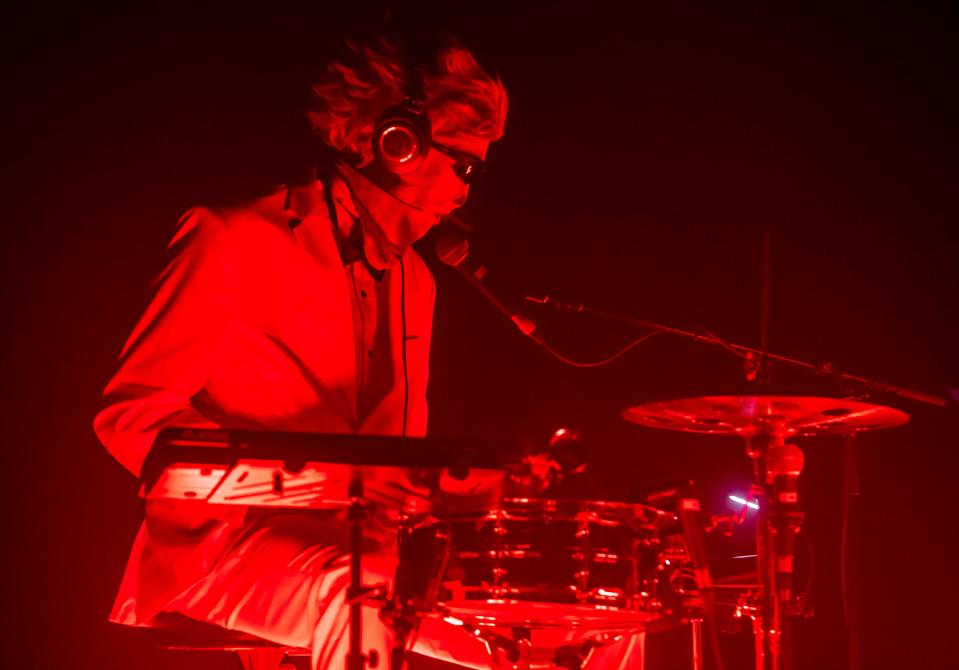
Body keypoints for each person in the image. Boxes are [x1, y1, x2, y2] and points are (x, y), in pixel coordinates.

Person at [95, 34, 643, 669]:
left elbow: (393, 470)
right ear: (397, 143)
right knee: (364, 590)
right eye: (464, 165)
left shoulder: (418, 280)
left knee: (595, 617)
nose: (467, 192)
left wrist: (476, 490)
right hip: (225, 550)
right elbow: (129, 417)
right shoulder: (231, 237)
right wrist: (307, 482)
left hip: (371, 556)